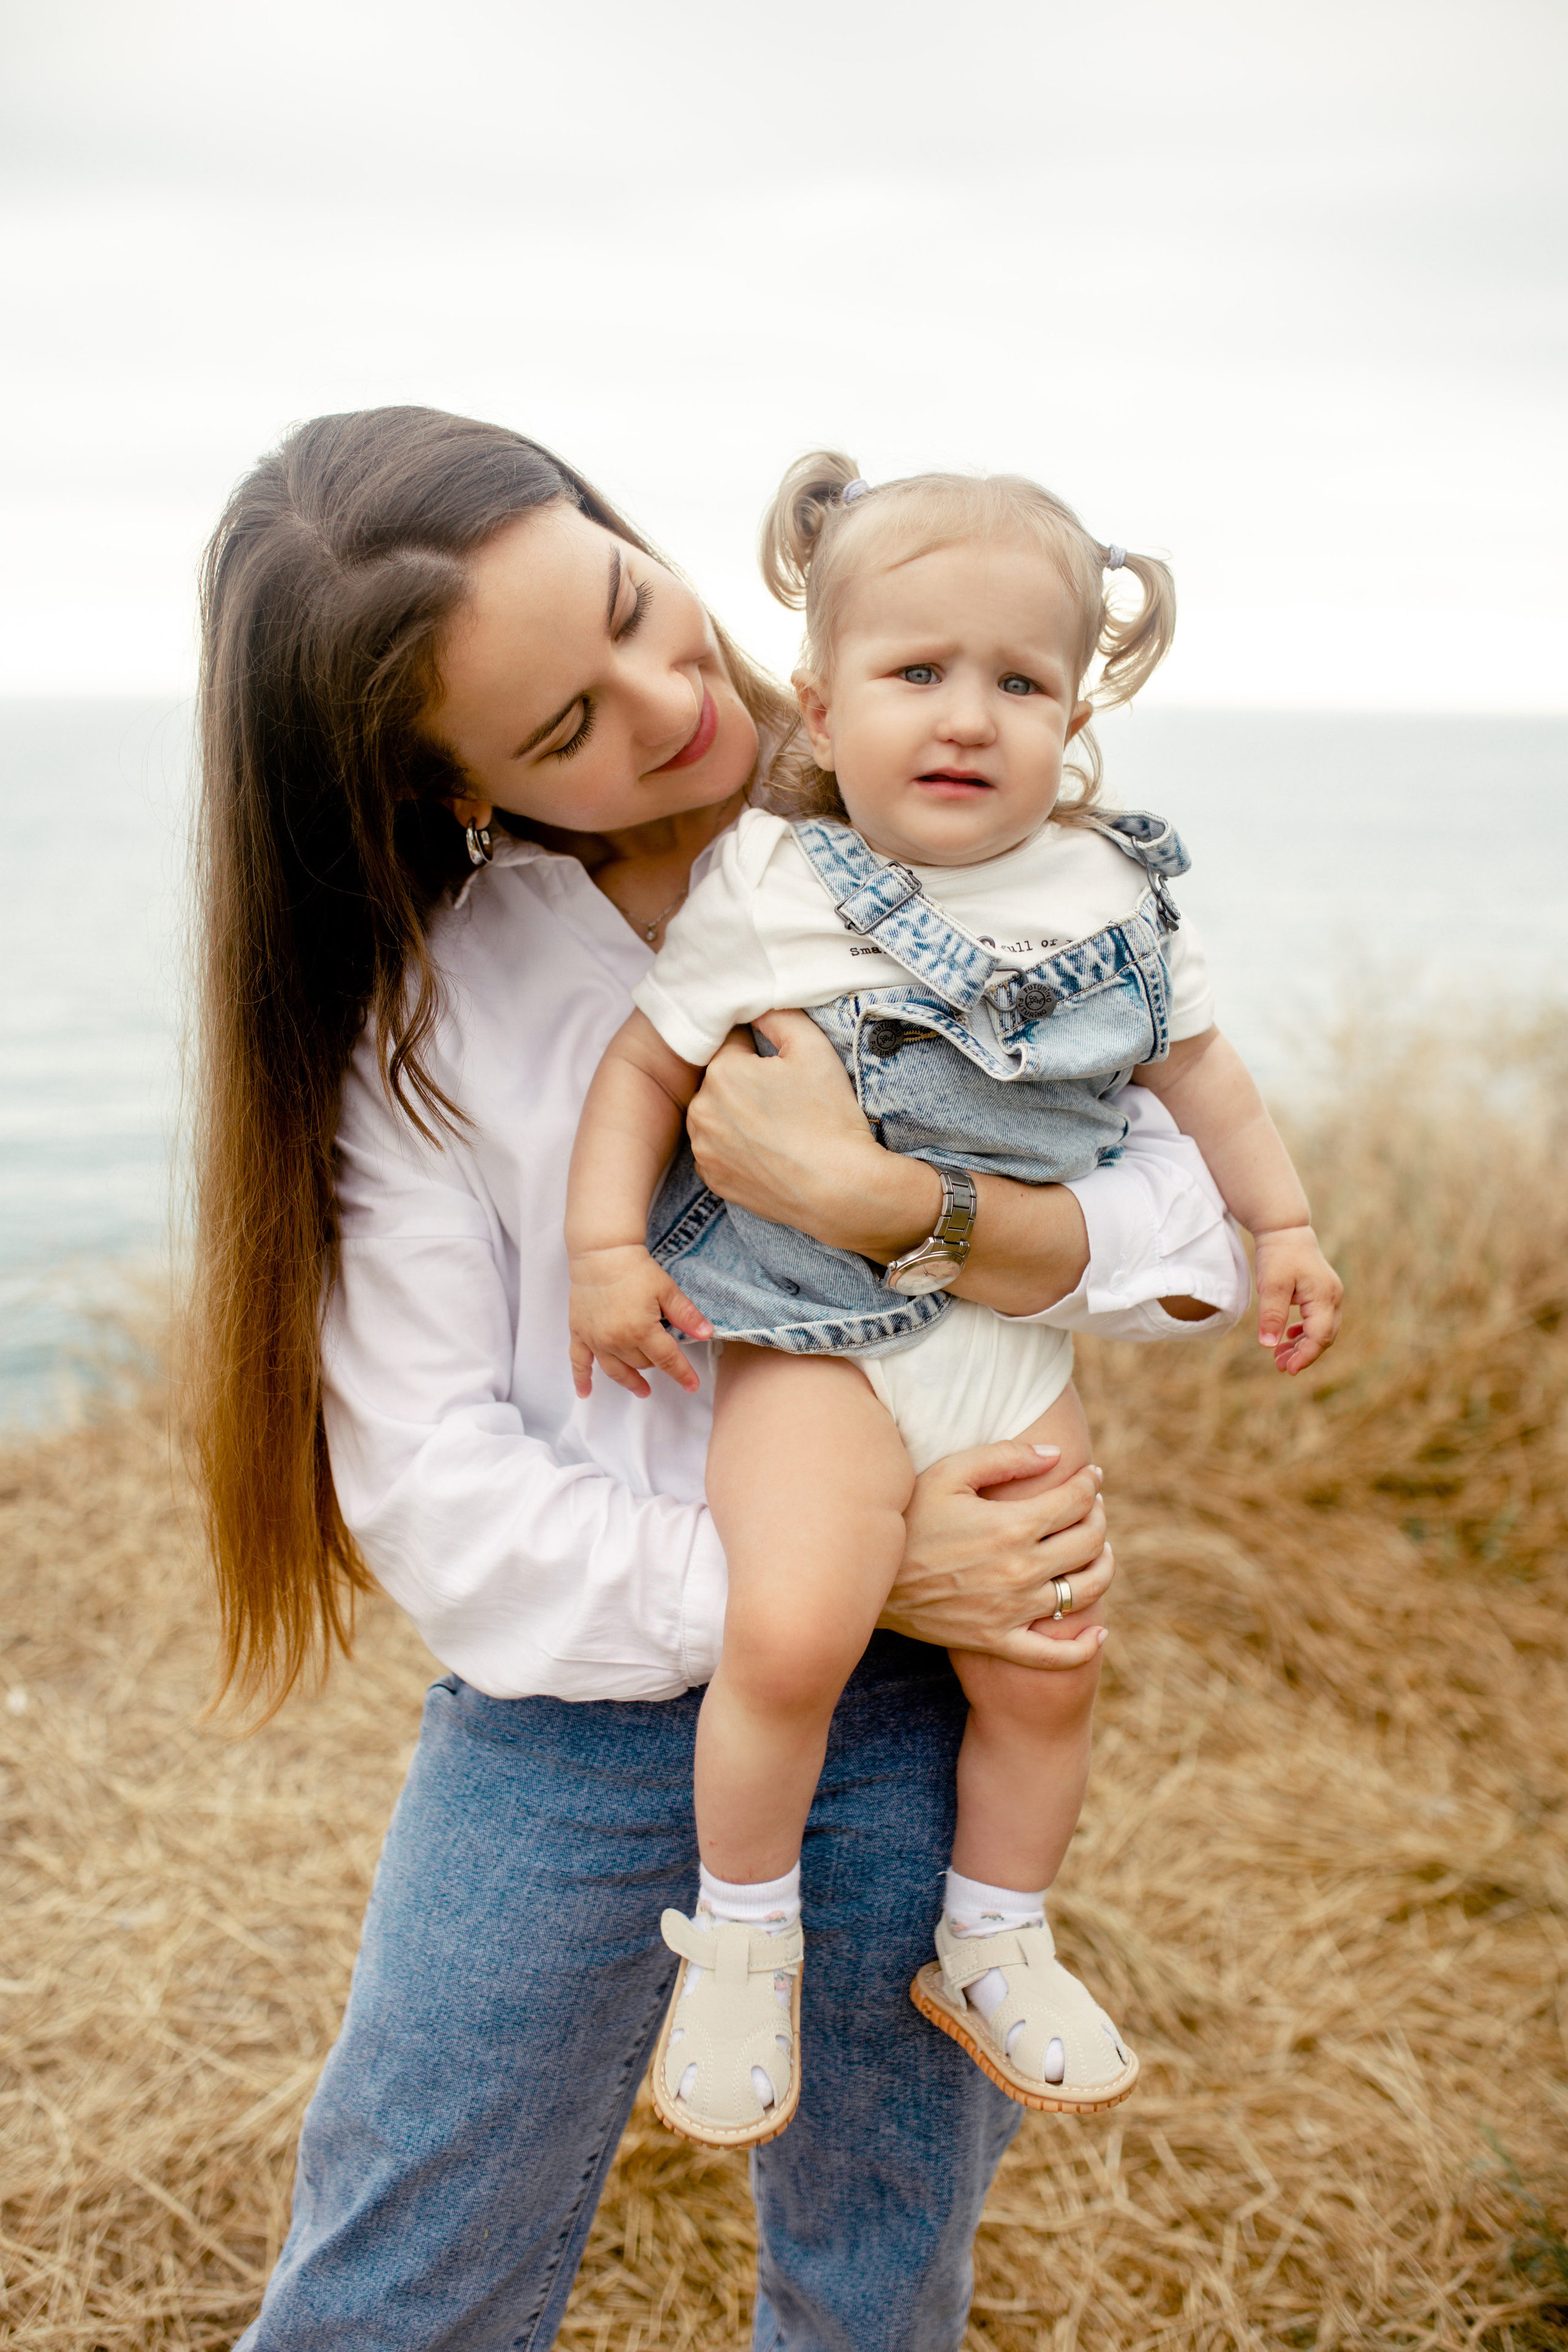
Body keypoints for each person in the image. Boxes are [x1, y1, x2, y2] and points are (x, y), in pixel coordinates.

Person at [191, 406, 1250, 2352]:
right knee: (403, 2278)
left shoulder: (954, 826)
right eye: (564, 727)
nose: (674, 702)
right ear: (455, 789)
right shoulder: (433, 1018)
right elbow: (434, 1489)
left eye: (634, 607)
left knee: (875, 2287)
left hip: (928, 1714)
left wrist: (894, 1206)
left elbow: (1192, 1237)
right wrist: (832, 1584)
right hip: (577, 1725)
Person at [567, 453, 1343, 2148]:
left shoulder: (1115, 897)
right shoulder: (772, 882)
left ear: (1079, 714)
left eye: (1021, 682)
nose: (969, 716)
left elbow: (1205, 1081)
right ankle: (743, 1940)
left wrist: (1281, 1227)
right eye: (917, 671)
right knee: (794, 1632)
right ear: (822, 703)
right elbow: (642, 1069)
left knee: (1051, 1657)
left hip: (1005, 1348)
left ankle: (993, 1936)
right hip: (811, 1342)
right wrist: (607, 1256)